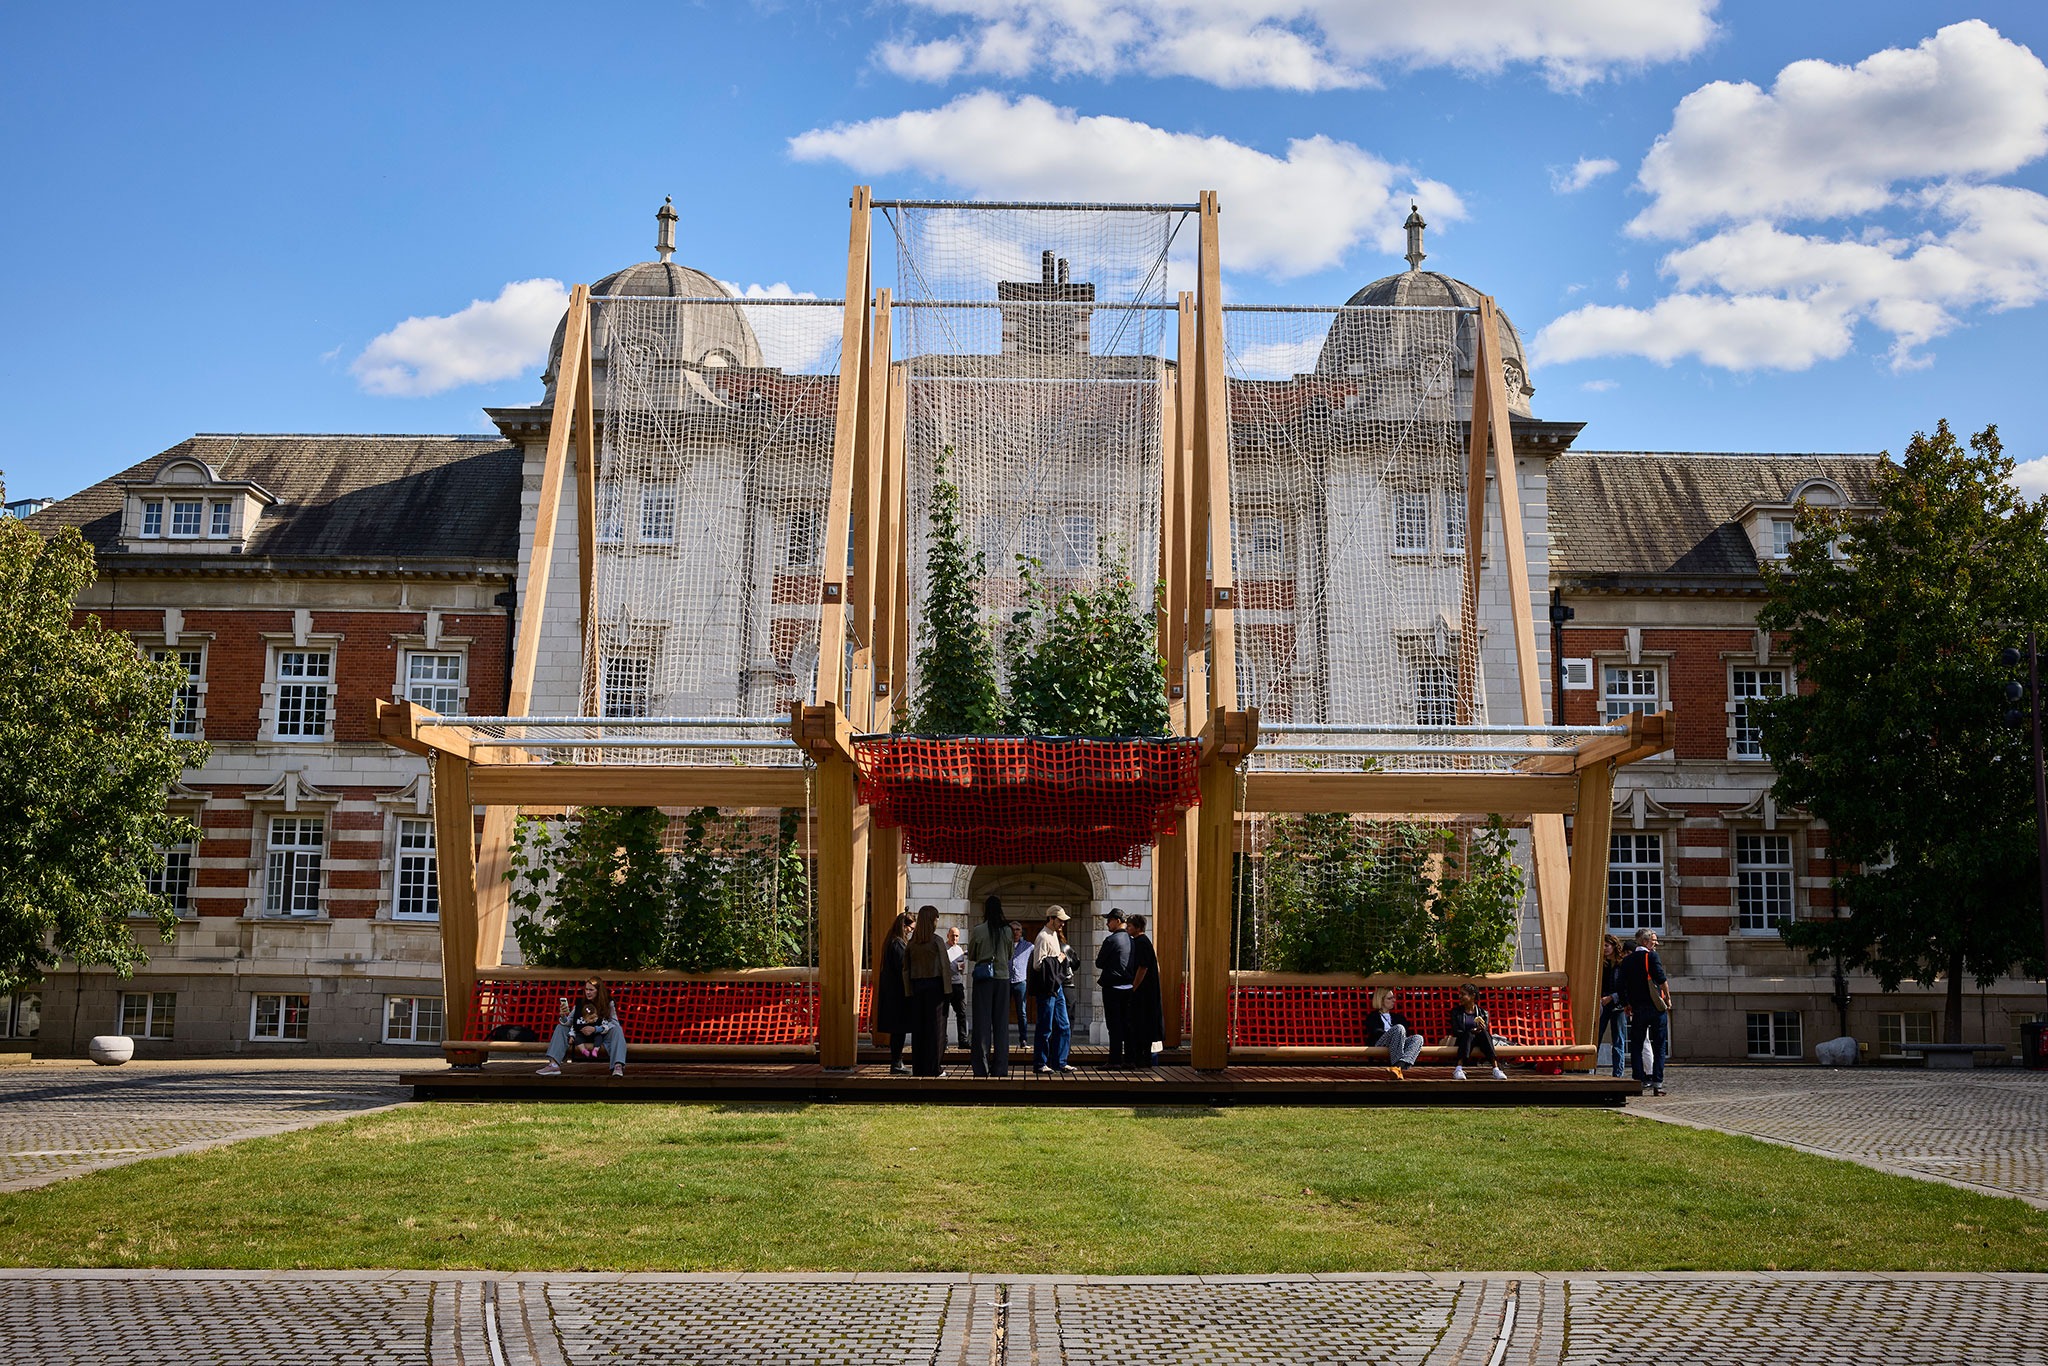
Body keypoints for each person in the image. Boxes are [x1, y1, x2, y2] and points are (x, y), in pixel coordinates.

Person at [538, 977, 626, 1077]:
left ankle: (617, 1066)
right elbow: (569, 1022)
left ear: (598, 991)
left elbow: (614, 1023)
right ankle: (553, 1065)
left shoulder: (608, 1003)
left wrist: (596, 1029)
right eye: (586, 989)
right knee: (560, 1027)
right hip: (581, 1034)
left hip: (600, 1035)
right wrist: (563, 1016)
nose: (588, 992)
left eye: (591, 990)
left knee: (617, 1030)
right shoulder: (580, 1003)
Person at [967, 895, 1014, 1077]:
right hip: (1002, 978)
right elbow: (1010, 954)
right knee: (1001, 1024)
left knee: (982, 1023)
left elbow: (972, 953)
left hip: (983, 979)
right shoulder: (1007, 930)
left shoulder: (979, 930)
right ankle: (1001, 1068)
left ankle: (981, 1067)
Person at [1621, 927, 1672, 1095]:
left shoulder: (1627, 961)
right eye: (1653, 941)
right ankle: (1657, 1083)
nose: (1656, 943)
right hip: (1655, 1008)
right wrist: (1667, 998)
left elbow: (1622, 986)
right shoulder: (1651, 956)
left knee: (1636, 1045)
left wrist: (1626, 1004)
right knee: (1659, 1046)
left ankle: (1639, 1080)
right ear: (1645, 942)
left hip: (1637, 1008)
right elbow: (1661, 979)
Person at [906, 906, 951, 1076]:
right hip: (936, 987)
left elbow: (906, 969)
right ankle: (934, 1068)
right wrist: (948, 992)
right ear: (932, 920)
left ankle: (919, 1067)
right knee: (936, 1030)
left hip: (917, 987)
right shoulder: (937, 941)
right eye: (936, 918)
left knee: (919, 1030)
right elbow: (945, 967)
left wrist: (908, 991)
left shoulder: (912, 943)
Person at [1030, 905, 1076, 1074]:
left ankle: (1060, 1062)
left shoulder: (1054, 935)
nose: (1062, 924)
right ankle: (1040, 1063)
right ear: (1051, 918)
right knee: (1045, 1027)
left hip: (1057, 988)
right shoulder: (1043, 937)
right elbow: (1037, 965)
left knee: (1064, 1025)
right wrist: (1058, 959)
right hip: (1047, 989)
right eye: (1060, 920)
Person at [875, 911, 916, 1074]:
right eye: (910, 929)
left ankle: (896, 1062)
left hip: (891, 993)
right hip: (898, 994)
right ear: (904, 927)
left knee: (897, 1030)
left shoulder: (890, 942)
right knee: (899, 1030)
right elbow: (903, 968)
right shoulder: (898, 944)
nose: (911, 932)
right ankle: (897, 1062)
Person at [1095, 909, 1134, 1069]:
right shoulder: (1131, 940)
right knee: (1127, 1024)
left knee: (1114, 1025)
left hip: (1113, 987)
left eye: (1109, 920)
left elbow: (1099, 963)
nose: (1107, 923)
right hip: (1129, 987)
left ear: (1117, 920)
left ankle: (1114, 1060)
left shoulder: (1111, 940)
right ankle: (1130, 1060)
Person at [1124, 913, 1163, 1068]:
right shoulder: (1144, 942)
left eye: (1130, 926)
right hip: (1146, 992)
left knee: (1141, 1024)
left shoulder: (1141, 943)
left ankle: (1142, 1060)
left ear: (1137, 928)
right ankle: (1142, 1059)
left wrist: (1133, 987)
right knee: (1143, 1025)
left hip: (1143, 993)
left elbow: (1143, 967)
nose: (1127, 928)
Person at [1449, 983, 1508, 1081]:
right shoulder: (1456, 1012)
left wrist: (1481, 1029)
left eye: (1463, 994)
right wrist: (1471, 1031)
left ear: (1473, 996)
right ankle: (1458, 1068)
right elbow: (1456, 1031)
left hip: (1480, 1040)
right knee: (1469, 1034)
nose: (1460, 997)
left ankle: (1496, 1069)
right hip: (1463, 1039)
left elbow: (1486, 1031)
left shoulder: (1483, 1013)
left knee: (1485, 1033)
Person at [1363, 986, 1424, 1078]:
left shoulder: (1398, 1017)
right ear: (1381, 1000)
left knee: (1418, 1038)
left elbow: (1406, 1031)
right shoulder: (1373, 1016)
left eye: (1394, 997)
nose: (1394, 1000)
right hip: (1381, 1042)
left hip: (1399, 1042)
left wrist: (1398, 1035)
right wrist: (1392, 1033)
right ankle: (1397, 1066)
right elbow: (1374, 1032)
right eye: (1390, 998)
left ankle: (1397, 1067)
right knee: (1398, 1028)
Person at [1597, 934, 1630, 1079]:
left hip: (1617, 1004)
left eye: (1607, 946)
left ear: (1613, 946)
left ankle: (1618, 1073)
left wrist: (1611, 997)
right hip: (1602, 1003)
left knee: (1618, 1040)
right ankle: (1591, 1070)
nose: (1604, 949)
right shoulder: (1601, 964)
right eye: (1603, 946)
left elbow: (1625, 987)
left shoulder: (1621, 964)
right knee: (1596, 1038)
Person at [944, 925, 969, 1050]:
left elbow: (960, 967)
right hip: (946, 985)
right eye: (952, 935)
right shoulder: (943, 948)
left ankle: (963, 1040)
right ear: (948, 935)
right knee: (944, 1014)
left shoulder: (960, 949)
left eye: (957, 936)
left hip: (958, 984)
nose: (955, 938)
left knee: (962, 1013)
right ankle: (944, 1041)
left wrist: (962, 968)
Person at [1009, 919, 1033, 1039]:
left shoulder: (1028, 946)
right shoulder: (1004, 944)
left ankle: (1023, 1039)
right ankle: (1001, 1039)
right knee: (1003, 1012)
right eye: (1012, 930)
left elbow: (1041, 950)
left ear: (1021, 931)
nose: (1015, 932)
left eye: (1017, 929)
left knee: (1022, 1012)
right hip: (1006, 981)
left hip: (1020, 982)